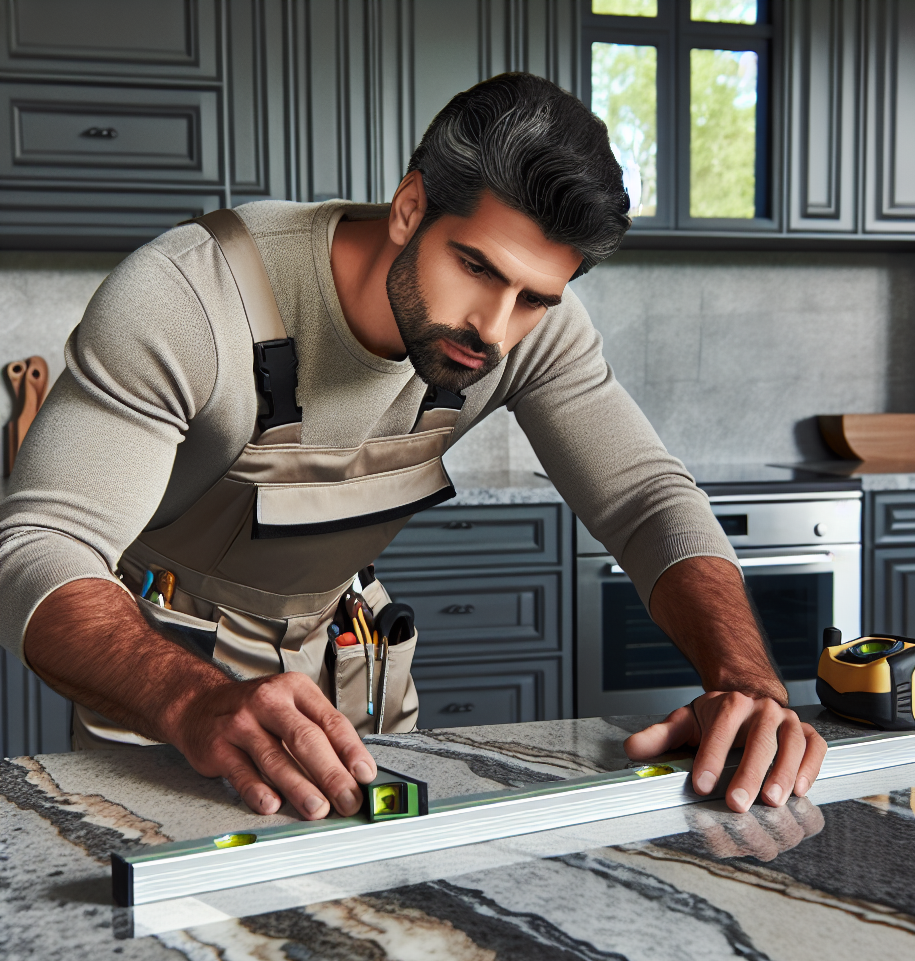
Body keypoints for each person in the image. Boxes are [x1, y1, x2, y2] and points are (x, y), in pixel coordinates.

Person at [0, 73, 825, 823]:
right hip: (170, 686)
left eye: (536, 298)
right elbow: (38, 545)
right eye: (475, 267)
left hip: (354, 672)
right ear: (409, 207)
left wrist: (744, 681)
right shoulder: (188, 297)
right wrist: (189, 701)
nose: (493, 330)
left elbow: (646, 500)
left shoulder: (523, 328)